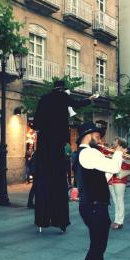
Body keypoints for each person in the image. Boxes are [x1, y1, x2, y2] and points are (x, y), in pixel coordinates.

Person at [33, 80, 95, 232]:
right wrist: (90, 99)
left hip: (44, 145)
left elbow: (36, 123)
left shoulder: (44, 99)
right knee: (59, 180)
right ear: (63, 89)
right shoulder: (63, 97)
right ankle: (60, 220)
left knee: (43, 181)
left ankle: (42, 220)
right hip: (58, 144)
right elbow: (77, 103)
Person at [75, 121, 123, 260]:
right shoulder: (88, 153)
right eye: (97, 135)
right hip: (94, 206)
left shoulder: (88, 154)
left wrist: (113, 161)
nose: (100, 139)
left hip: (93, 205)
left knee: (98, 242)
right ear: (88, 135)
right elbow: (115, 166)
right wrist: (118, 154)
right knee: (97, 246)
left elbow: (104, 175)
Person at [107, 138, 130, 230]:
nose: (113, 142)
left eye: (115, 141)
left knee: (119, 200)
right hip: (111, 179)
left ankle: (120, 221)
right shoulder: (113, 153)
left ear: (119, 143)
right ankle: (116, 220)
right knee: (115, 201)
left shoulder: (125, 154)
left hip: (120, 180)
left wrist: (123, 159)